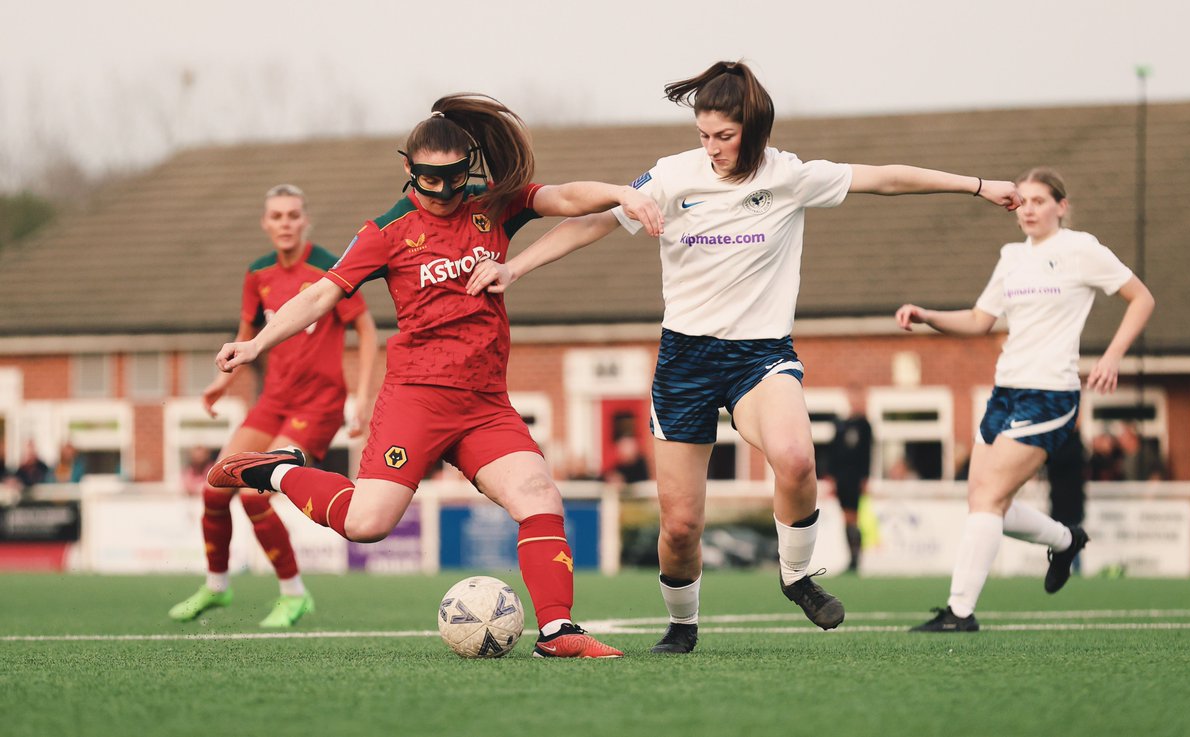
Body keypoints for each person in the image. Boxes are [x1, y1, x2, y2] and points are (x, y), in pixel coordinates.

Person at [464, 60, 1022, 653]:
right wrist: (515, 267)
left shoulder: (790, 175)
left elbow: (885, 178)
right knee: (680, 528)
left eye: (723, 136)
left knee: (796, 458)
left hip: (760, 356)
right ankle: (682, 626)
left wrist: (979, 186)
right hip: (685, 362)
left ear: (754, 129)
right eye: (703, 134)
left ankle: (797, 574)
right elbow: (594, 222)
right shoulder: (675, 175)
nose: (711, 148)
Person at [206, 94, 663, 658]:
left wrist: (622, 192)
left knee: (539, 494)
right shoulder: (385, 232)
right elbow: (321, 293)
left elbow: (567, 198)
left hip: (485, 405)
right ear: (408, 169)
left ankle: (557, 632)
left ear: (466, 169)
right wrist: (255, 344)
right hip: (415, 399)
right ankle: (276, 472)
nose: (442, 193)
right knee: (367, 523)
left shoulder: (494, 205)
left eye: (453, 179)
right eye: (429, 181)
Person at [896, 167, 1155, 632]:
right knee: (982, 498)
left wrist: (1112, 356)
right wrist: (927, 315)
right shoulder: (1011, 257)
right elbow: (980, 320)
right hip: (1005, 391)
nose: (1030, 209)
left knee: (988, 499)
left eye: (1040, 200)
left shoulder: (1081, 249)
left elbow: (1142, 299)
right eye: (1023, 202)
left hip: (1050, 393)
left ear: (1062, 206)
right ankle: (1064, 539)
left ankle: (959, 612)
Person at [169, 184, 379, 628]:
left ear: (305, 221)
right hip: (273, 400)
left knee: (252, 492)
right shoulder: (258, 273)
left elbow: (366, 328)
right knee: (214, 485)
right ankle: (217, 586)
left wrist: (361, 395)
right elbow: (246, 335)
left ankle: (293, 594)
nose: (285, 223)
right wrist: (220, 385)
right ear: (266, 224)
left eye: (293, 215)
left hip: (319, 403)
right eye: (277, 216)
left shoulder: (328, 267)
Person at [828, 386, 872, 573]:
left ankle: (856, 557)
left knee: (854, 517)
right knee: (845, 517)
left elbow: (867, 452)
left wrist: (865, 477)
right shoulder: (840, 424)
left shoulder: (864, 426)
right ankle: (851, 558)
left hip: (855, 477)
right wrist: (831, 476)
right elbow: (832, 452)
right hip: (841, 478)